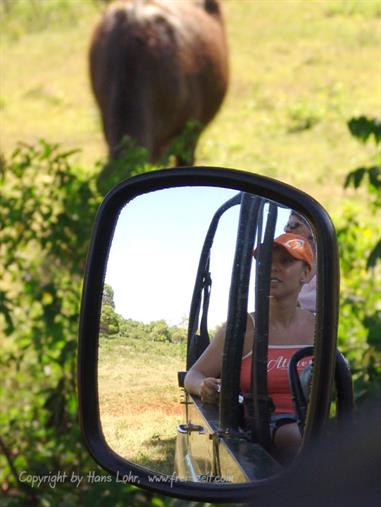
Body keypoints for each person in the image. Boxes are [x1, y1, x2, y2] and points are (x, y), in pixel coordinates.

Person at [184, 233, 315, 464]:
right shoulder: (242, 328)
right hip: (259, 438)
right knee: (300, 439)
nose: (273, 269)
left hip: (313, 428)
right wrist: (203, 387)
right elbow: (193, 375)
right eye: (267, 263)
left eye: (285, 262)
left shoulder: (319, 328)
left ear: (306, 273)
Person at [284, 211, 316, 314]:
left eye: (294, 225)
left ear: (313, 232)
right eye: (287, 225)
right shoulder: (284, 269)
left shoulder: (330, 270)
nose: (286, 230)